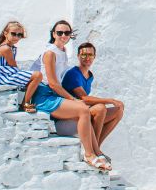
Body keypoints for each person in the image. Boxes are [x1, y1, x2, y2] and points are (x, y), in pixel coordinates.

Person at [30, 20, 110, 172]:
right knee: (82, 109)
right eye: (59, 32)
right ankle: (89, 154)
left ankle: (95, 152)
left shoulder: (62, 52)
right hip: (44, 96)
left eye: (67, 33)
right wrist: (72, 99)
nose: (63, 35)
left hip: (53, 95)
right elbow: (53, 83)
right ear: (53, 34)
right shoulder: (50, 53)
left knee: (88, 109)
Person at [61, 42, 125, 171]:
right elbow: (84, 98)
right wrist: (110, 100)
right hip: (71, 117)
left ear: (94, 57)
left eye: (90, 54)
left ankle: (97, 148)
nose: (87, 57)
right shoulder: (73, 74)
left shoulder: (89, 76)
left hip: (84, 114)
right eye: (83, 54)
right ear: (78, 56)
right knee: (100, 108)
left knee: (118, 111)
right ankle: (93, 151)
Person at [0, 20, 42, 113]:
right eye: (14, 34)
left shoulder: (10, 47)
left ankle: (26, 101)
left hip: (7, 74)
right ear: (6, 33)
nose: (16, 37)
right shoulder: (6, 48)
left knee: (35, 78)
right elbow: (13, 66)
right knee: (37, 75)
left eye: (19, 35)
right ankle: (25, 103)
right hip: (4, 77)